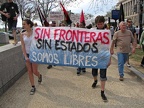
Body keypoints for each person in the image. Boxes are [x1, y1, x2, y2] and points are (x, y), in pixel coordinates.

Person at [91, 16, 111, 102]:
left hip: (104, 56)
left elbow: (109, 46)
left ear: (103, 23)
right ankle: (95, 80)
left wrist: (109, 59)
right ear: (96, 24)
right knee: (94, 72)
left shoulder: (107, 32)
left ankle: (102, 92)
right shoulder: (92, 31)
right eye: (98, 24)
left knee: (103, 74)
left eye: (101, 24)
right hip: (94, 55)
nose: (99, 25)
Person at [20, 19, 42, 95]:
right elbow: (23, 45)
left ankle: (39, 76)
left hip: (34, 54)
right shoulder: (22, 34)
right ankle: (33, 86)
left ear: (29, 25)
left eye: (24, 24)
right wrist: (25, 56)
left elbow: (40, 42)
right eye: (23, 24)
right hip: (27, 54)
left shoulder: (35, 33)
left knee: (34, 71)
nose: (23, 26)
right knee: (29, 71)